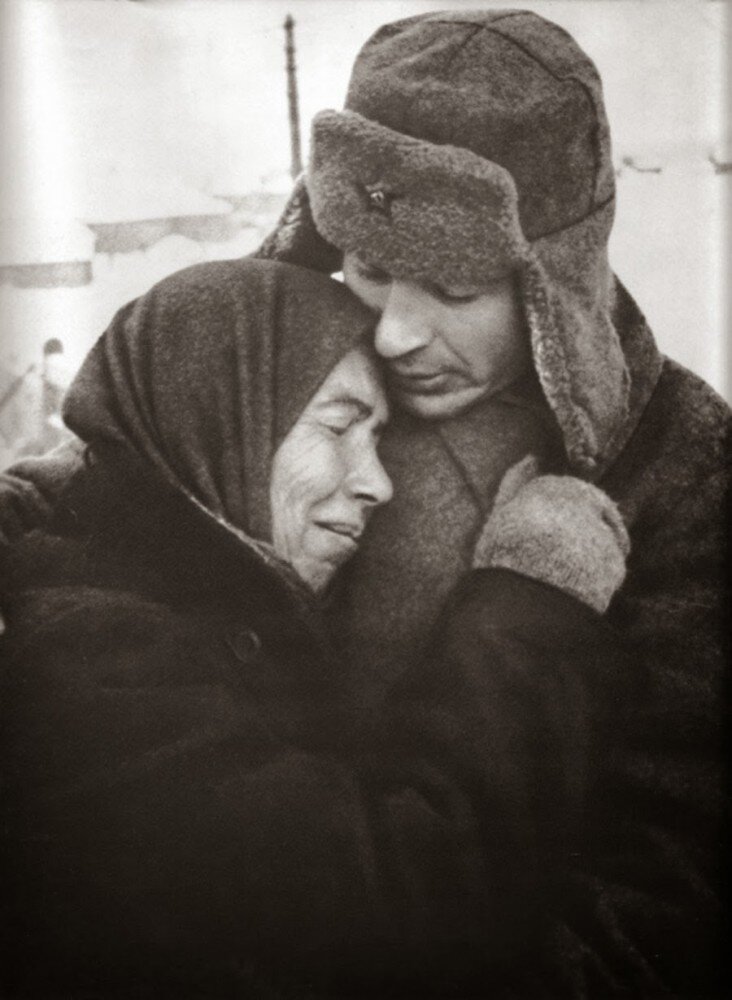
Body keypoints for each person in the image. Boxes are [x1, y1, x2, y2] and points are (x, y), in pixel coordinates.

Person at [0, 8, 728, 996]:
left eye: (455, 290)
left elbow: (668, 871)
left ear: (555, 281)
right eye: (373, 269)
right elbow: (142, 461)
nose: (393, 335)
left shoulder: (678, 466)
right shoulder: (291, 358)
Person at [1, 256, 630, 998]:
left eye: (380, 438)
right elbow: (402, 911)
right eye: (339, 425)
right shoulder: (88, 661)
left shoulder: (182, 612)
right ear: (215, 420)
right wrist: (531, 599)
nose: (379, 483)